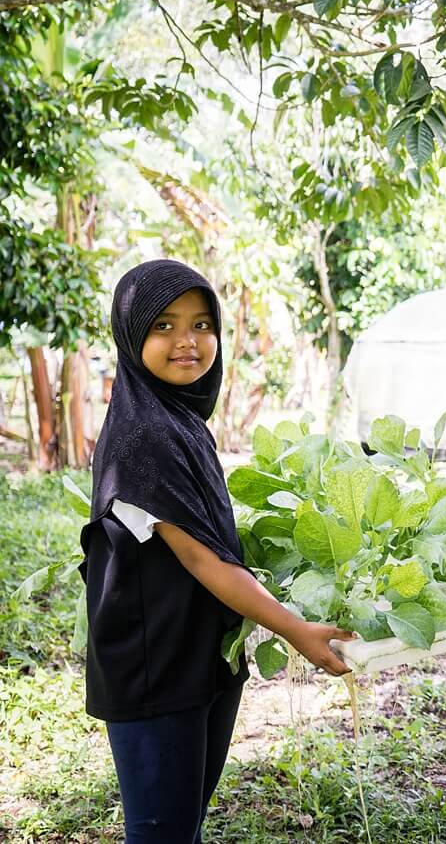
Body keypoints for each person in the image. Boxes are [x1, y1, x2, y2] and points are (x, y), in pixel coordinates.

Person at [81, 259, 351, 844]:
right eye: (164, 326)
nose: (188, 341)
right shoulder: (140, 437)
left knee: (186, 826)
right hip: (155, 669)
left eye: (202, 325)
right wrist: (295, 629)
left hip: (204, 656)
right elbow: (204, 559)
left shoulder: (177, 417)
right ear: (130, 337)